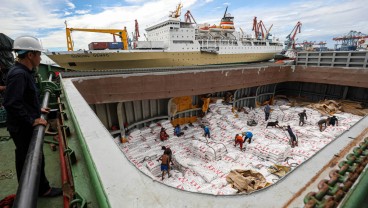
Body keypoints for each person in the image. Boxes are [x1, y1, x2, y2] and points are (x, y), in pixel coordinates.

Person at [3, 36, 62, 197]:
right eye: (38, 54)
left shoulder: (23, 72)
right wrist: (32, 119)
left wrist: (38, 109)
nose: (40, 58)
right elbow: (12, 103)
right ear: (30, 55)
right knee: (31, 159)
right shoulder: (19, 74)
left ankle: (35, 189)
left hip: (22, 124)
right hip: (22, 127)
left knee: (28, 158)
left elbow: (23, 98)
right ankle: (41, 190)